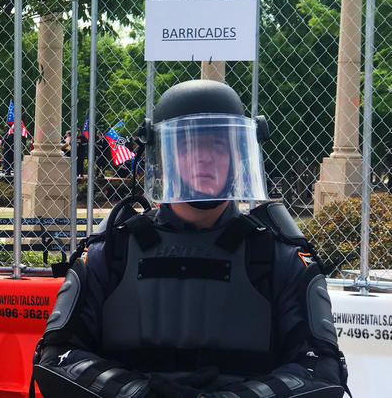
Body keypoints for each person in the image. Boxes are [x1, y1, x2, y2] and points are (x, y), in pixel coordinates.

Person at [33, 80, 349, 398]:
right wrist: (139, 393)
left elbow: (319, 370)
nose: (204, 158)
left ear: (239, 157)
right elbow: (58, 360)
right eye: (188, 146)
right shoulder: (113, 251)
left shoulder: (276, 256)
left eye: (218, 145)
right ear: (165, 157)